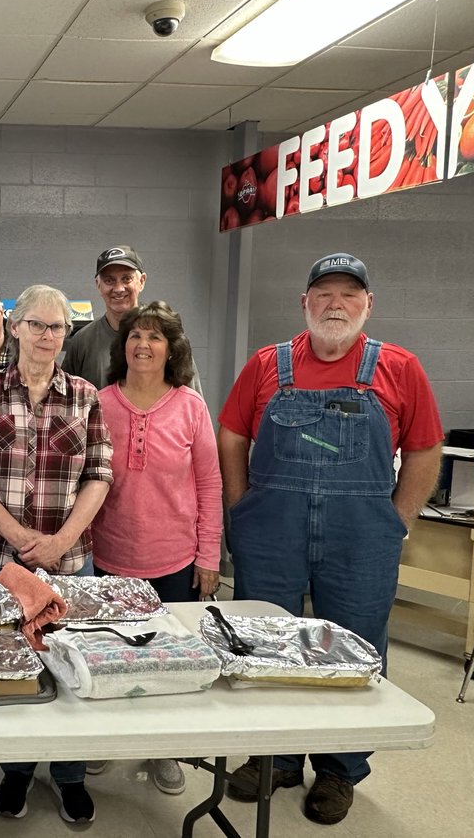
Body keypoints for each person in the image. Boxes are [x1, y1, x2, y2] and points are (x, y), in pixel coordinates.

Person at [217, 252, 443, 825]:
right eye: (324, 294)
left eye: (348, 294)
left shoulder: (400, 368)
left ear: (369, 304)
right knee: (268, 639)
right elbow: (231, 434)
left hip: (362, 535)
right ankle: (279, 757)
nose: (335, 304)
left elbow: (425, 449)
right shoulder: (269, 364)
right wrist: (242, 507)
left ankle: (339, 768)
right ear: (305, 303)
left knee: (356, 645)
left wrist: (398, 519)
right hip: (272, 529)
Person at [0, 284, 112, 824]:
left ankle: (69, 776)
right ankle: (17, 770)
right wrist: (18, 536)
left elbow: (99, 475)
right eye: (38, 325)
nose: (49, 335)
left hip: (70, 559)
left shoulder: (86, 396)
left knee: (71, 667)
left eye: (58, 327)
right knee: (12, 665)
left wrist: (63, 540)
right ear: (14, 326)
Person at [89, 301, 221, 796]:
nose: (143, 344)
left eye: (155, 336)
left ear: (172, 349)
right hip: (106, 558)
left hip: (175, 560)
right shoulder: (99, 402)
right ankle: (106, 742)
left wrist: (209, 556)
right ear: (122, 348)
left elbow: (209, 483)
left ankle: (164, 746)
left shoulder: (190, 406)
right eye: (134, 336)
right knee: (108, 657)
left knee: (170, 661)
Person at [62, 245, 203, 393]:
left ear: (141, 281)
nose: (118, 288)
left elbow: (193, 406)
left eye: (126, 279)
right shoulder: (82, 342)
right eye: (109, 281)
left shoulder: (168, 337)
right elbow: (65, 400)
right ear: (98, 285)